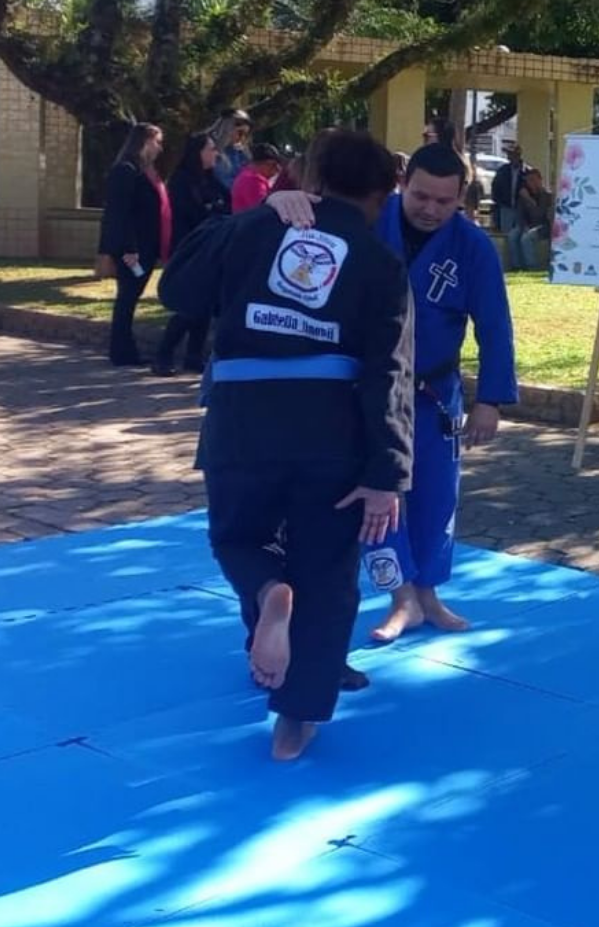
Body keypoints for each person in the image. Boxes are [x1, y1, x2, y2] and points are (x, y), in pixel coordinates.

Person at [158, 129, 416, 761]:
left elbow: (177, 291)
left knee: (238, 538)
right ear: (383, 195)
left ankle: (269, 592)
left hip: (242, 423)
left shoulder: (253, 229)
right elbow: (391, 370)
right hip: (331, 432)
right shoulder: (380, 263)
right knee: (327, 571)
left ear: (310, 176)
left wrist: (247, 217)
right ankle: (294, 721)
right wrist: (388, 471)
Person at [267, 142, 518, 644]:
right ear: (402, 185)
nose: (430, 209)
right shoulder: (364, 223)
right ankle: (399, 595)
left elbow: (494, 324)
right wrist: (279, 201)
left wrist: (489, 400)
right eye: (420, 196)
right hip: (367, 391)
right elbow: (292, 221)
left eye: (444, 202)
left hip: (434, 391)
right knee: (379, 496)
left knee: (436, 495)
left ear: (461, 197)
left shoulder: (473, 247)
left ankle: (428, 594)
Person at [153, 131, 230, 376]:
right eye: (210, 149)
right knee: (189, 306)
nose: (215, 154)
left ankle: (194, 356)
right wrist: (211, 210)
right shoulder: (182, 180)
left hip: (212, 247)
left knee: (205, 304)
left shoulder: (212, 180)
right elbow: (191, 214)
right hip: (189, 249)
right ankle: (163, 354)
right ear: (197, 152)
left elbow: (225, 205)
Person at [95, 122, 169, 366]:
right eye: (157, 142)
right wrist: (129, 249)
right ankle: (121, 352)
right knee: (127, 298)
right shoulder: (125, 171)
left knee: (130, 298)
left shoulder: (145, 171)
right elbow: (119, 214)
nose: (160, 148)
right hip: (133, 249)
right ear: (145, 141)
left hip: (146, 245)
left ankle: (126, 349)